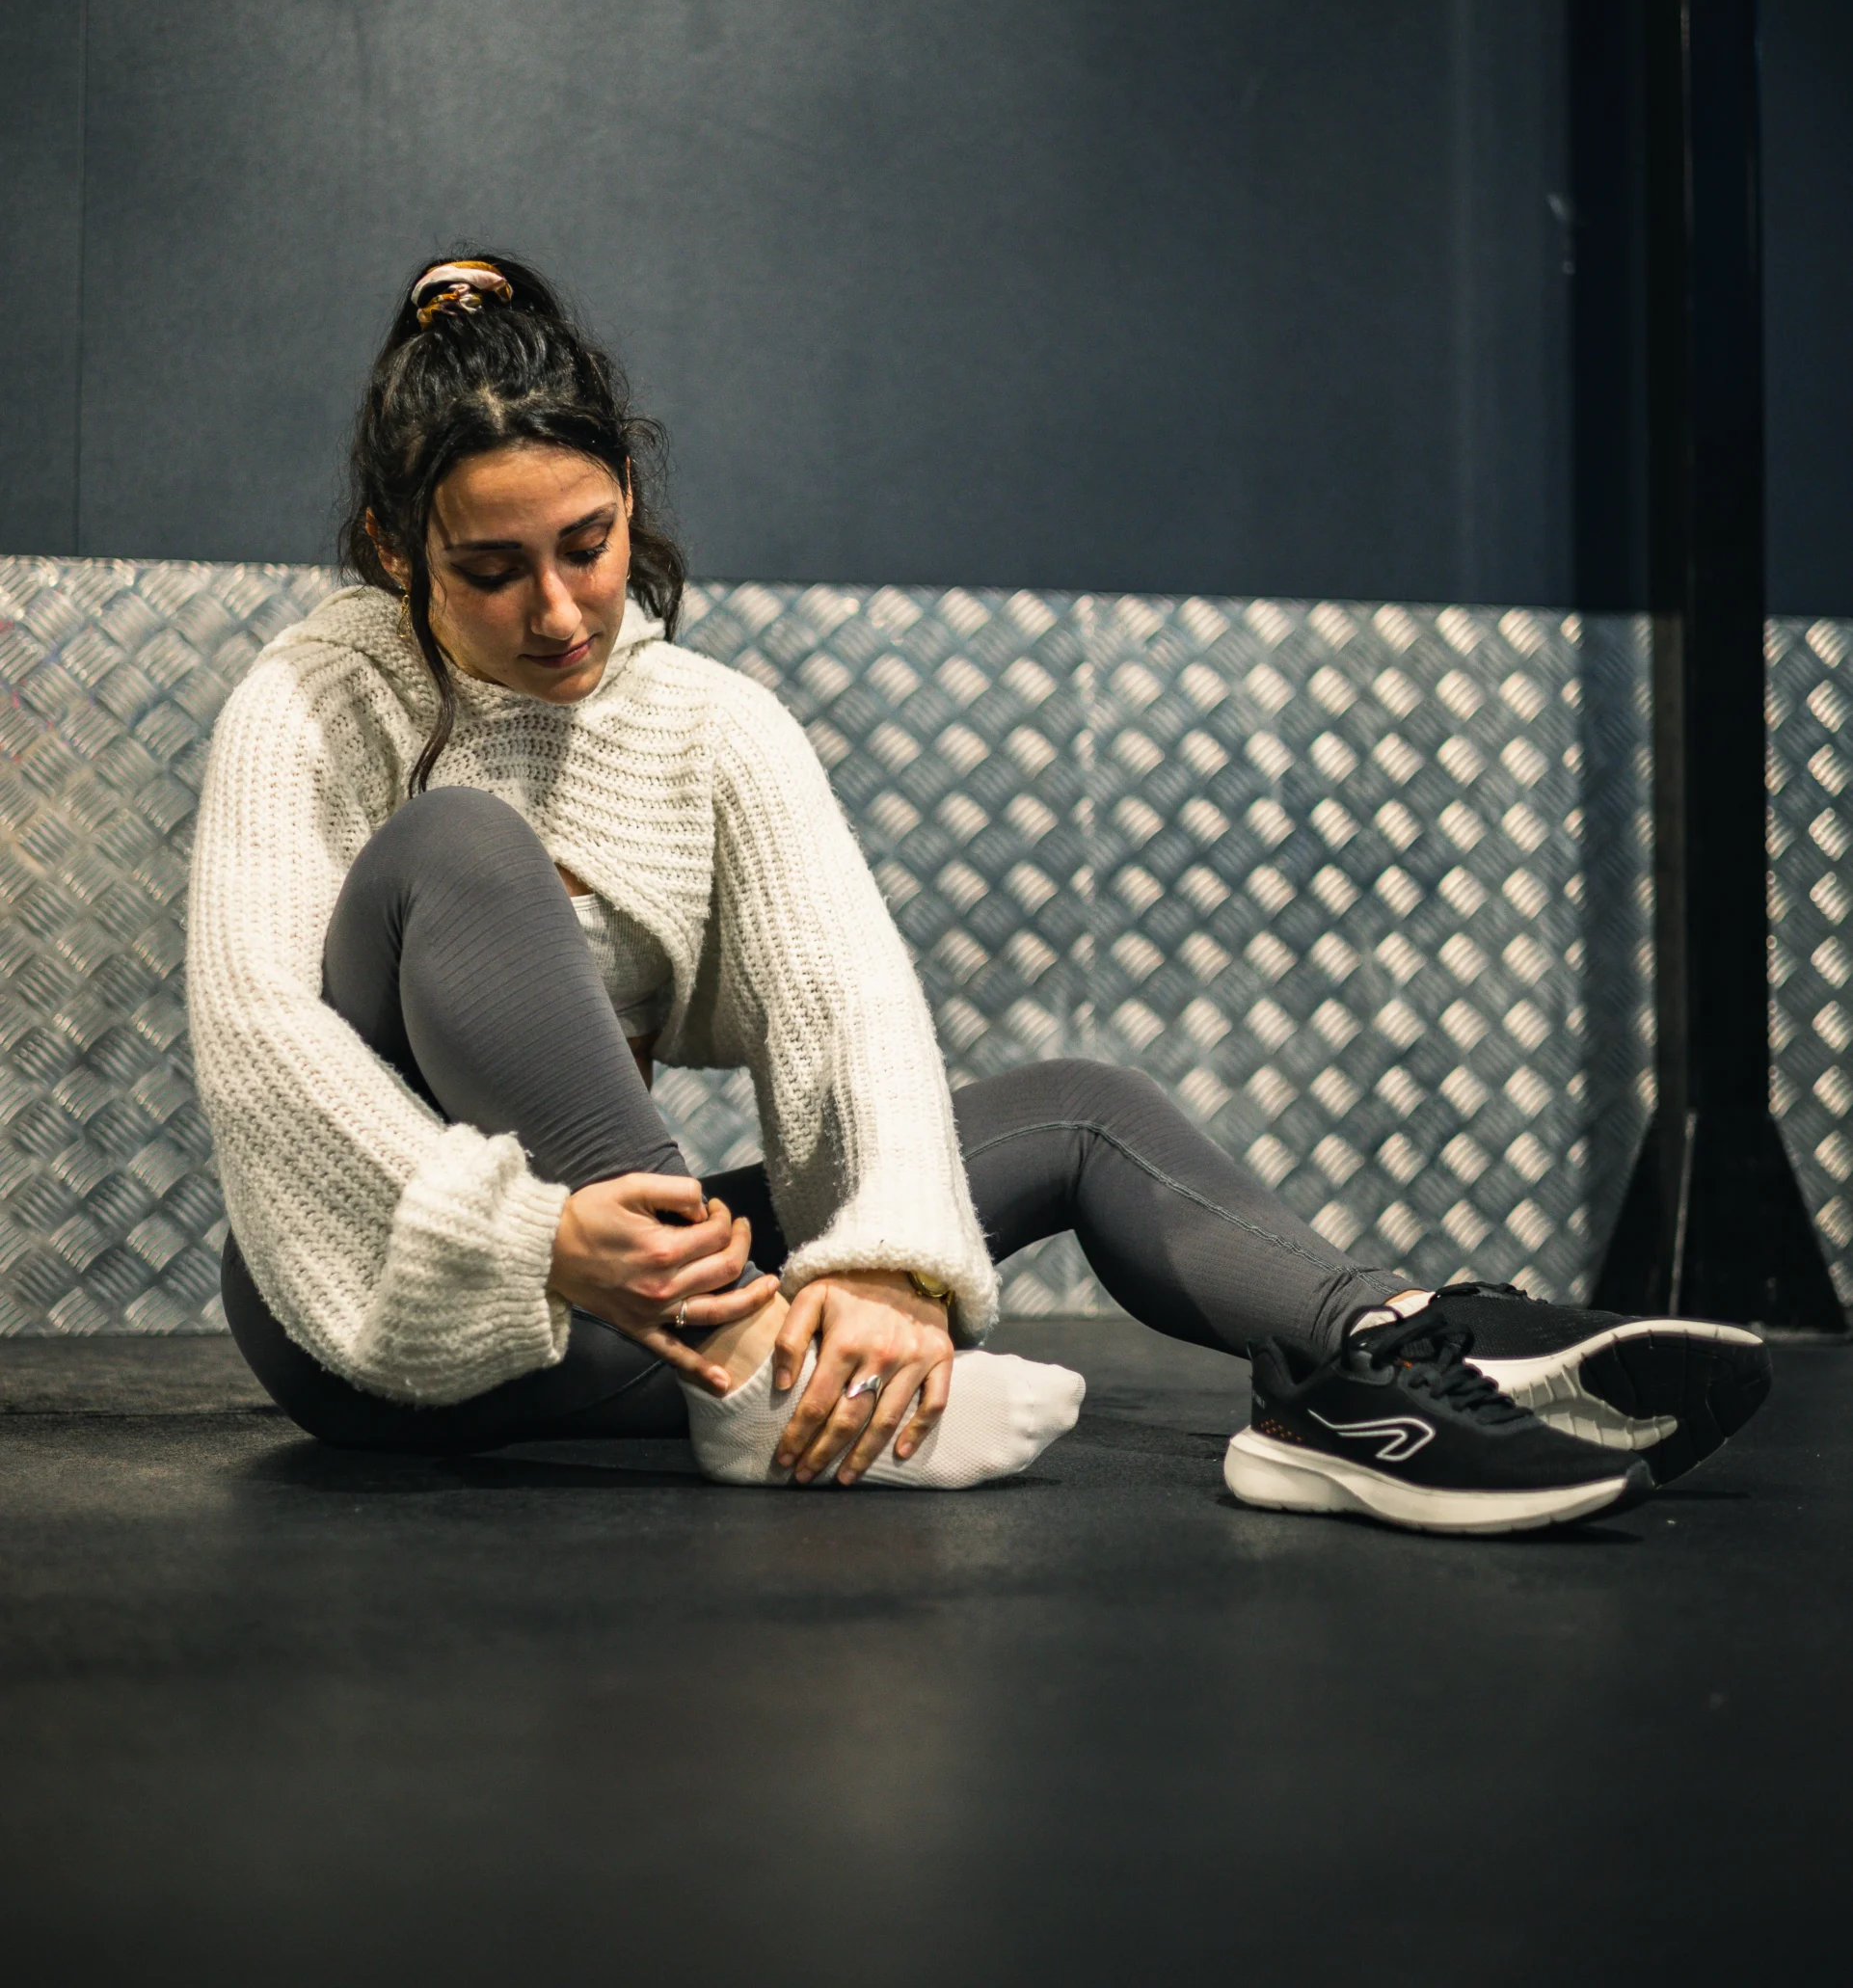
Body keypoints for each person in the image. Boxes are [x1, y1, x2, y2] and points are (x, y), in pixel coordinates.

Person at [189, 255, 1772, 1535]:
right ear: (398, 549)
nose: (555, 608)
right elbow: (262, 1043)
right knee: (460, 845)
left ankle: (1380, 1367)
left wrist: (878, 1262)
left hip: (626, 1324)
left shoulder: (711, 723)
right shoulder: (317, 696)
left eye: (589, 545)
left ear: (629, 501)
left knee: (1077, 1106)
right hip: (382, 1319)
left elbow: (845, 999)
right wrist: (538, 1237)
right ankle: (750, 1368)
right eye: (490, 569)